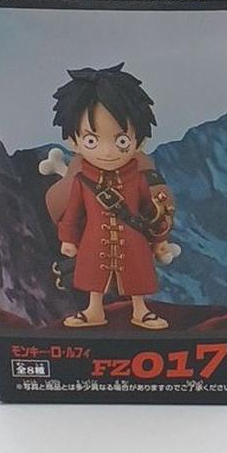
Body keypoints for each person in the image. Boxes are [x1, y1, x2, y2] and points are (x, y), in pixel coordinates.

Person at [46, 64, 176, 330]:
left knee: (136, 276)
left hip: (134, 241)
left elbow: (149, 210)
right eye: (92, 141)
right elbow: (73, 213)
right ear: (74, 141)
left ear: (138, 141)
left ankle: (140, 310)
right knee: (95, 278)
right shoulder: (82, 181)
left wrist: (160, 239)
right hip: (94, 242)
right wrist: (68, 239)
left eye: (121, 141)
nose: (107, 152)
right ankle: (94, 310)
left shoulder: (138, 179)